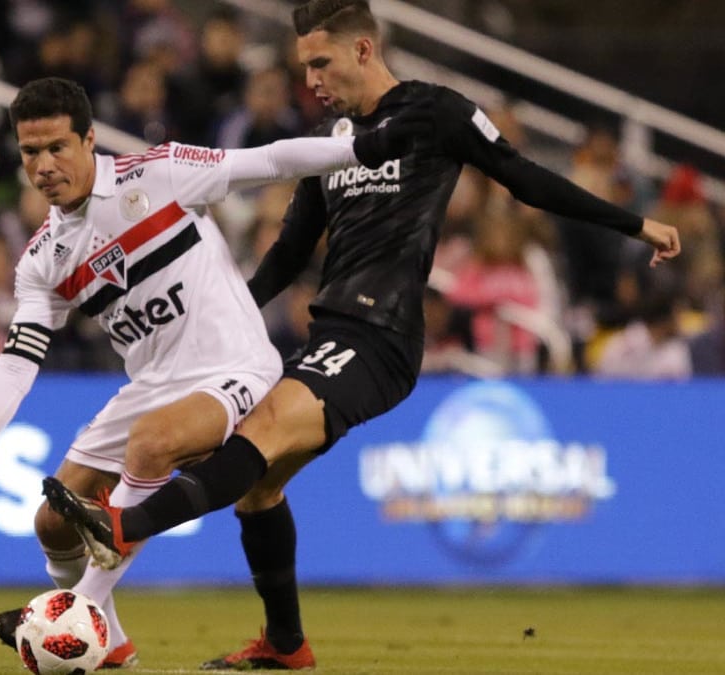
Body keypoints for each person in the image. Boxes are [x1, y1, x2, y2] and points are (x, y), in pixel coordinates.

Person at [41, 0, 682, 670]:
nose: (311, 79)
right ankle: (285, 643)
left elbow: (526, 178)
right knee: (259, 485)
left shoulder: (437, 113)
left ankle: (123, 526)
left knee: (262, 431)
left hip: (384, 335)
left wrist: (635, 225)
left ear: (363, 50)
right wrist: (225, 316)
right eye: (304, 66)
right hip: (332, 332)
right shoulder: (332, 140)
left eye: (320, 62)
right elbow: (291, 250)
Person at [0, 75, 426, 667]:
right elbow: (15, 361)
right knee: (52, 524)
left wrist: (361, 149)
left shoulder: (157, 174)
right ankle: (109, 641)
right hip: (151, 385)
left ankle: (77, 608)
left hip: (234, 366)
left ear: (89, 141)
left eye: (58, 147)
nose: (45, 165)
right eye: (31, 152)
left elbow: (269, 160)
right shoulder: (41, 261)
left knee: (152, 444)